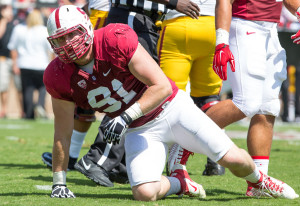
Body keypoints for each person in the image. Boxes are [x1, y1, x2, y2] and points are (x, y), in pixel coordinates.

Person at [45, 5, 298, 200]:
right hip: (140, 128)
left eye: (72, 35)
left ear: (87, 29)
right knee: (144, 193)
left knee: (235, 161)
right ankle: (181, 183)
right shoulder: (57, 75)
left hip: (173, 109)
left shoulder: (114, 38)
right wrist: (59, 181)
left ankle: (259, 180)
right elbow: (62, 132)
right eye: (59, 40)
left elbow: (162, 86)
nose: (67, 45)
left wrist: (124, 116)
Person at [74, 0, 202, 187]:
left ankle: (119, 165)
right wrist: (174, 3)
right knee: (130, 93)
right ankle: (97, 159)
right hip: (132, 17)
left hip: (142, 20)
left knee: (140, 92)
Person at [205, 0, 300, 197]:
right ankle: (183, 140)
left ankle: (258, 182)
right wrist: (221, 41)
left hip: (271, 30)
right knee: (246, 103)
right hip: (245, 25)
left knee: (269, 106)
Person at [41, 0, 112, 174]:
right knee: (83, 103)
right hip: (91, 26)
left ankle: (106, 159)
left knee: (120, 100)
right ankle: (73, 155)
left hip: (103, 36)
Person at [157, 0, 225, 176]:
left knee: (168, 98)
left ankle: (173, 162)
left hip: (178, 22)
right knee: (209, 99)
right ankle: (217, 158)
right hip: (213, 25)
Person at [8, 9, 52, 119]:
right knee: (43, 88)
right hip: (41, 64)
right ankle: (40, 105)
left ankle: (29, 113)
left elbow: (13, 48)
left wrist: (15, 64)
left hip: (24, 64)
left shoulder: (19, 29)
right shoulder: (44, 30)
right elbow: (51, 50)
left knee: (28, 90)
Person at [0, 0, 22, 118]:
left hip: (17, 59)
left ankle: (22, 110)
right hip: (3, 58)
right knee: (3, 86)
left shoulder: (19, 21)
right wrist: (3, 20)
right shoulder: (2, 21)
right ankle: (3, 110)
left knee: (20, 86)